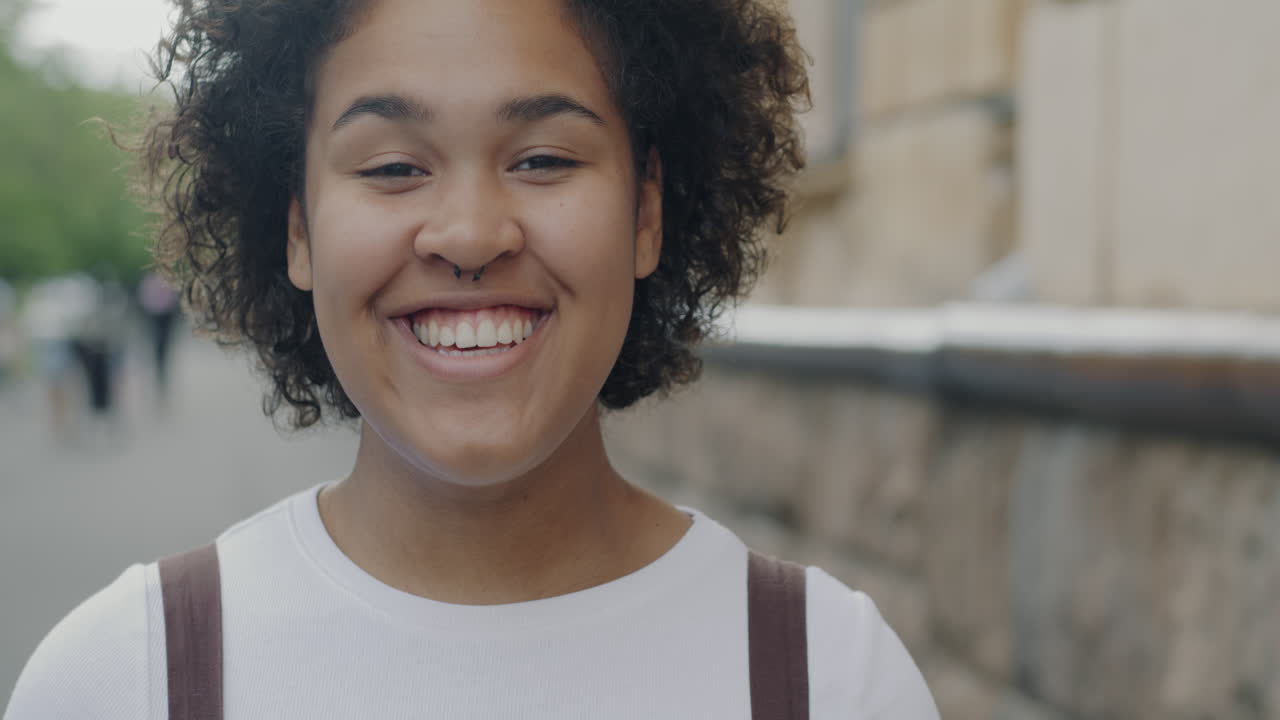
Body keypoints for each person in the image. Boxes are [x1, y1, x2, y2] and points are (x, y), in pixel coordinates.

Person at [4, 1, 940, 717]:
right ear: (298, 228)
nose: (467, 235)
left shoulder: (832, 679)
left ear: (647, 211)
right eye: (391, 168)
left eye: (541, 159)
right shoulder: (122, 680)